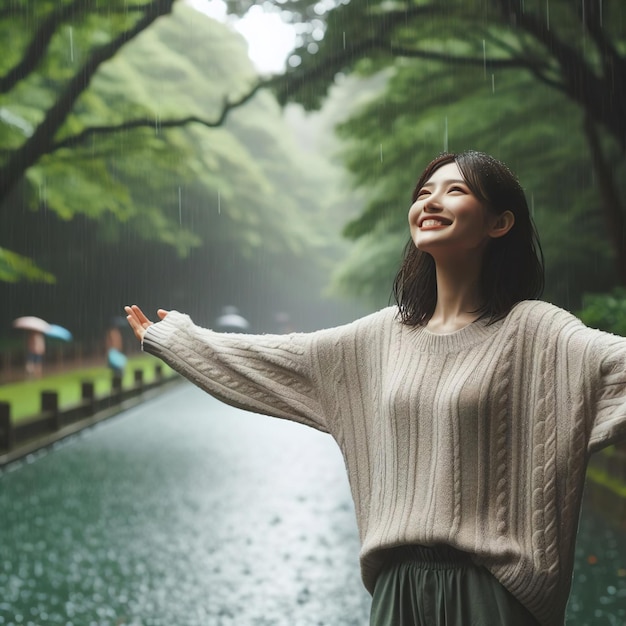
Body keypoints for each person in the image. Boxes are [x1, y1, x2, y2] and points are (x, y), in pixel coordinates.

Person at [125, 150, 626, 626]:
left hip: (491, 592)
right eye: (425, 191)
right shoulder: (382, 336)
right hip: (397, 588)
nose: (431, 201)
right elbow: (277, 362)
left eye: (455, 191)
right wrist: (179, 340)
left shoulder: (537, 332)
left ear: (499, 222)